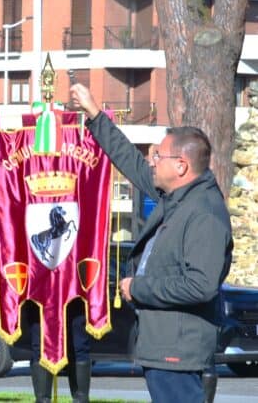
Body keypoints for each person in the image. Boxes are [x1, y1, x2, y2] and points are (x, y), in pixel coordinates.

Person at [70, 83, 232, 403]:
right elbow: (131, 162)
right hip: (163, 347)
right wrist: (94, 114)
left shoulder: (204, 213)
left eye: (159, 155)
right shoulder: (176, 197)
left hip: (178, 351)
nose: (152, 160)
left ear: (181, 165)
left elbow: (200, 285)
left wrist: (138, 287)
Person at [27, 300, 92, 403]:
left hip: (73, 296)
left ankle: (81, 399)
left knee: (78, 346)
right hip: (39, 297)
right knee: (40, 347)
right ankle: (42, 400)